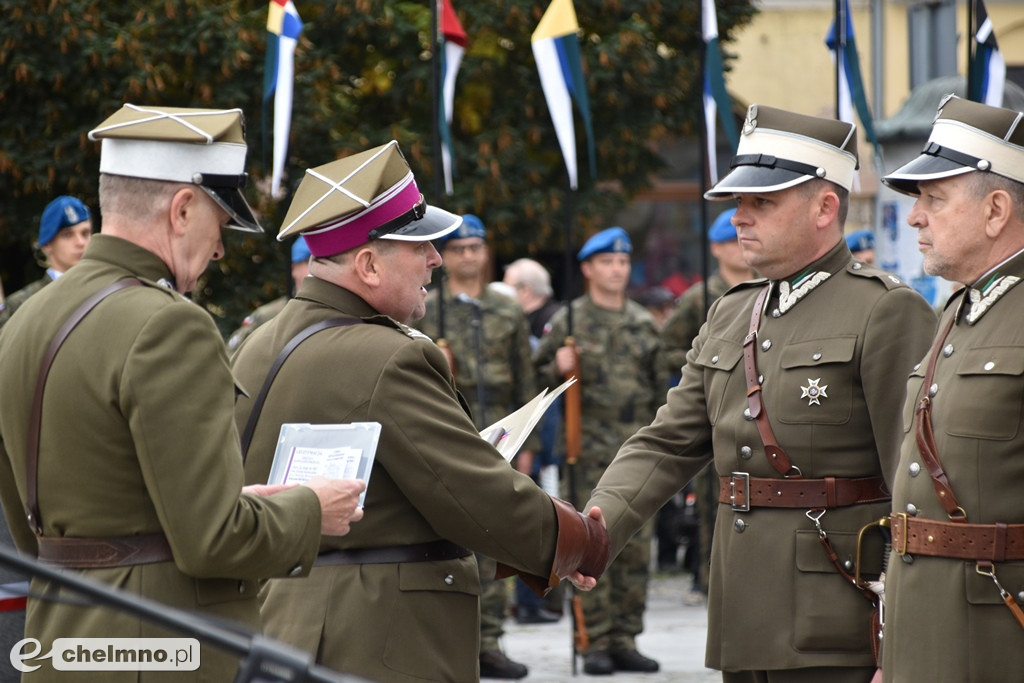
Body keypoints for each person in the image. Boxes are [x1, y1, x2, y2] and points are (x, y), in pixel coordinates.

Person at [0, 104, 366, 682]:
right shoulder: (171, 324)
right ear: (183, 207)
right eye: (219, 224)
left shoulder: (21, 322)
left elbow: (31, 530)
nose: (219, 249)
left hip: (58, 643)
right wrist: (309, 508)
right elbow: (212, 541)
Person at [230, 140, 609, 683]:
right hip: (378, 640)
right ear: (367, 264)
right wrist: (579, 542)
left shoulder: (260, 342)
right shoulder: (391, 354)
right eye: (420, 246)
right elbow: (474, 493)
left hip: (281, 625)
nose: (437, 258)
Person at [583, 104, 937, 683]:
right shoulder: (731, 312)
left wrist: (904, 633)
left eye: (762, 203)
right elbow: (669, 442)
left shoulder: (885, 309)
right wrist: (597, 527)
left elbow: (912, 482)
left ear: (826, 207)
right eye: (739, 203)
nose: (740, 218)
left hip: (839, 615)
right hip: (742, 613)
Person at [878, 95, 1024, 682]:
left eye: (934, 199)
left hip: (997, 637)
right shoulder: (961, 308)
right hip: (927, 632)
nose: (914, 217)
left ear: (995, 210)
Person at [534, 226, 668, 675]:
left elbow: (661, 390)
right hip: (585, 450)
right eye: (607, 262)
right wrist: (557, 366)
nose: (617, 269)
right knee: (589, 545)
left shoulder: (643, 321)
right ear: (588, 269)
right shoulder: (570, 321)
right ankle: (592, 639)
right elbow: (537, 383)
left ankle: (626, 636)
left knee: (634, 547)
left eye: (624, 262)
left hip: (634, 449)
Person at [419, 214, 541, 679]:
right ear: (445, 257)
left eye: (476, 247)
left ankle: (489, 639)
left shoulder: (507, 310)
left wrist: (529, 446)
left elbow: (527, 382)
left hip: (504, 433)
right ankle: (457, 641)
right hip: (451, 433)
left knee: (499, 535)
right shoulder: (429, 308)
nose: (468, 256)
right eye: (459, 249)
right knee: (453, 536)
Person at [660, 207, 756, 603]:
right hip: (716, 409)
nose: (739, 248)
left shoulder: (768, 287)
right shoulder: (699, 298)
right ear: (716, 248)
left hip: (758, 409)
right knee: (710, 498)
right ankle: (705, 574)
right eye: (730, 242)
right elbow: (668, 350)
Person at [502, 257, 567, 625]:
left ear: (524, 291)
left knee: (538, 516)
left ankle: (535, 599)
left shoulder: (551, 321)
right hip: (533, 436)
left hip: (544, 436)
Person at [0, 195, 93, 328]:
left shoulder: (105, 292)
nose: (80, 242)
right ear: (47, 244)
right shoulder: (21, 304)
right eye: (67, 235)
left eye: (85, 233)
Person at [227, 235, 311, 351]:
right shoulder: (269, 316)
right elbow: (232, 357)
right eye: (309, 261)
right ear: (293, 268)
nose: (317, 268)